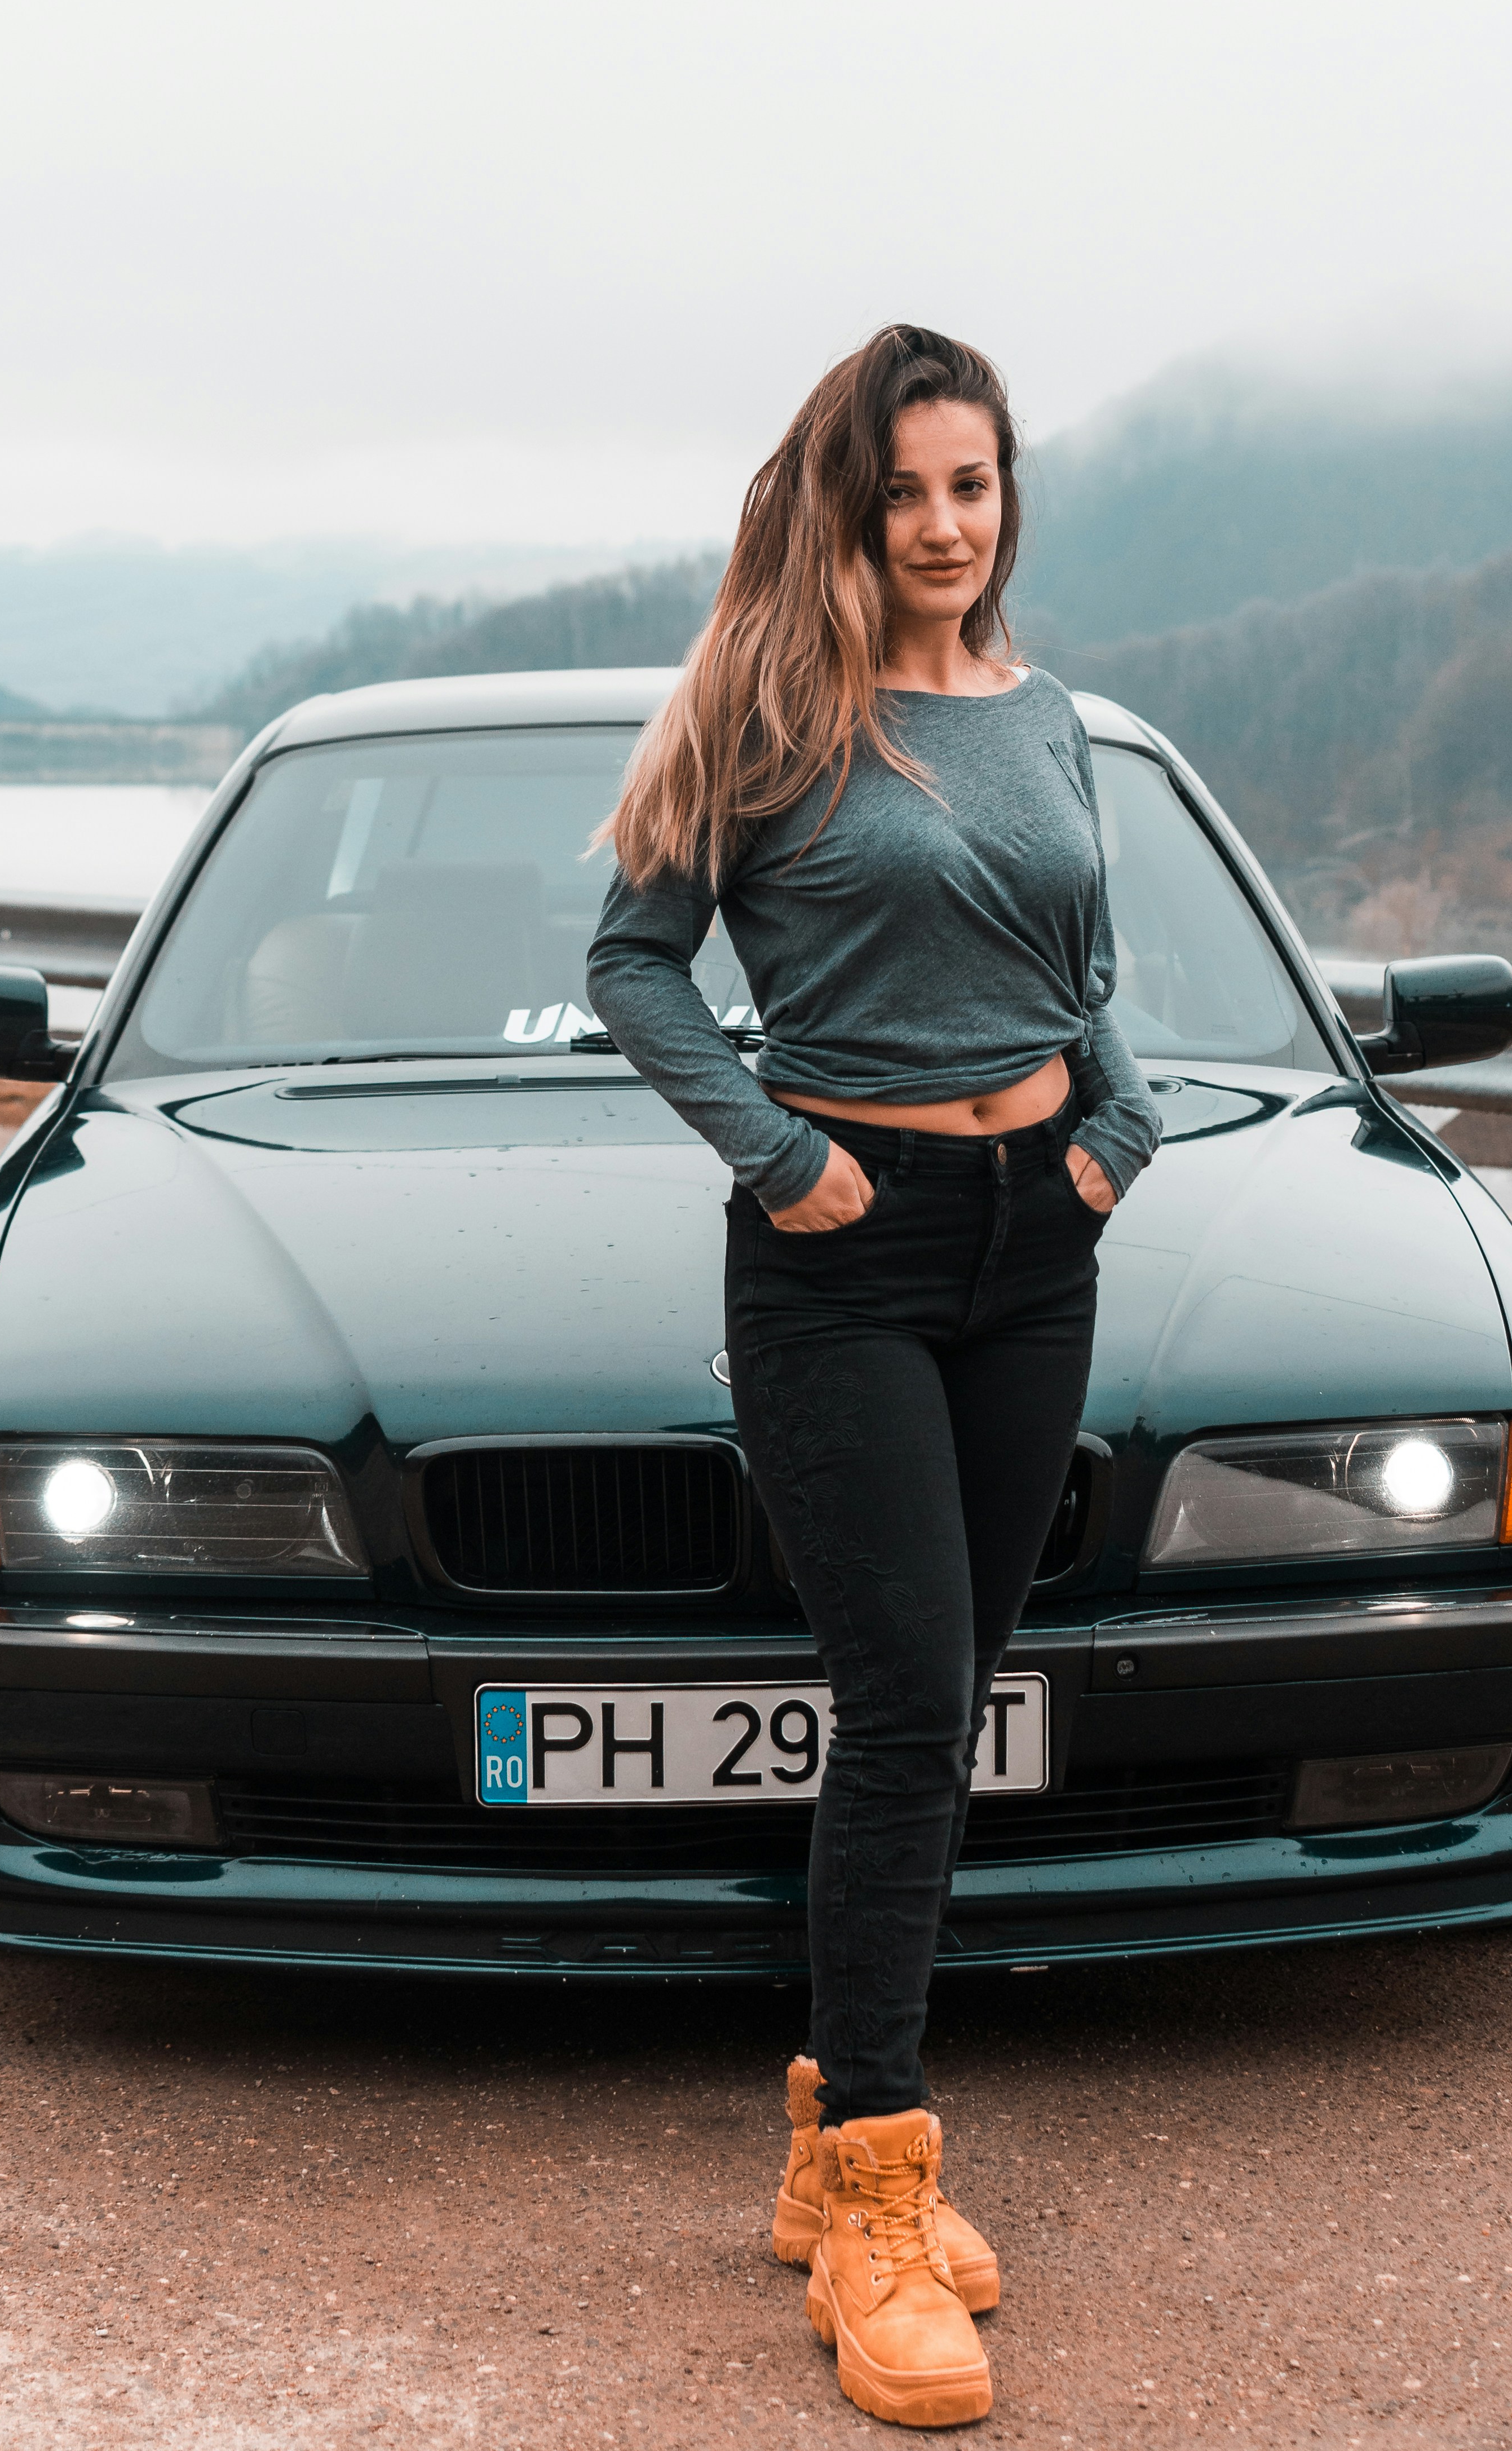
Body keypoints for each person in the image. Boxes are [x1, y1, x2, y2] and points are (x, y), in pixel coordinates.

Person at [586, 323, 1160, 2430]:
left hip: (1041, 1241)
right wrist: (774, 1150)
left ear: (1007, 501)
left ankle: (833, 2131)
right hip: (841, 1256)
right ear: (850, 499)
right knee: (915, 1701)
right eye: (908, 488)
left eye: (975, 486)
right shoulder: (766, 706)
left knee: (954, 1688)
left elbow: (1080, 967)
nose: (943, 525)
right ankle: (883, 2191)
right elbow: (634, 962)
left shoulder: (1055, 717)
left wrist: (1124, 1121)